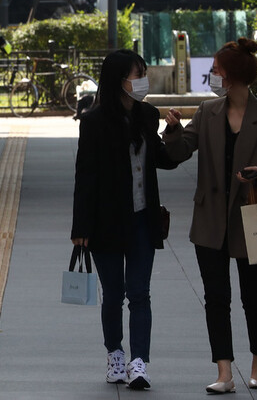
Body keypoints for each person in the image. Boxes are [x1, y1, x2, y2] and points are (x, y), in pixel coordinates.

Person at [162, 38, 257, 394]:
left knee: (253, 296)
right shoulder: (207, 112)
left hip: (251, 219)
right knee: (216, 297)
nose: (212, 74)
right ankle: (224, 373)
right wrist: (172, 130)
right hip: (210, 219)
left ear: (231, 75)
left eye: (217, 69)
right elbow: (180, 152)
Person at [71, 49, 178, 390]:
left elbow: (163, 159)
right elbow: (85, 177)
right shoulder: (94, 121)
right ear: (119, 80)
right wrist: (81, 229)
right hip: (106, 222)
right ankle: (115, 354)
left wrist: (176, 134)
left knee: (140, 293)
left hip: (142, 219)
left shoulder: (148, 115)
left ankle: (139, 362)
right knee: (114, 293)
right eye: (137, 75)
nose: (142, 81)